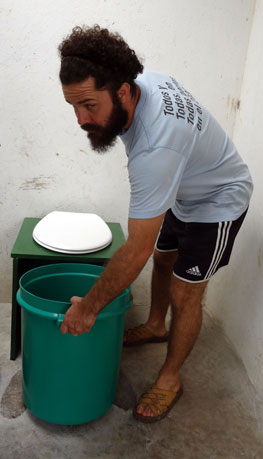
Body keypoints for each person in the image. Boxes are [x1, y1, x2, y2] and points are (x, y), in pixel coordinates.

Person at [58, 25, 253, 423]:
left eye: (89, 106)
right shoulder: (148, 80)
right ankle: (154, 325)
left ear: (123, 92)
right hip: (180, 186)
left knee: (185, 294)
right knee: (164, 258)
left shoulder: (155, 149)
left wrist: (89, 309)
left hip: (218, 200)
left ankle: (169, 378)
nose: (80, 119)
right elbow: (149, 250)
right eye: (73, 107)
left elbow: (135, 248)